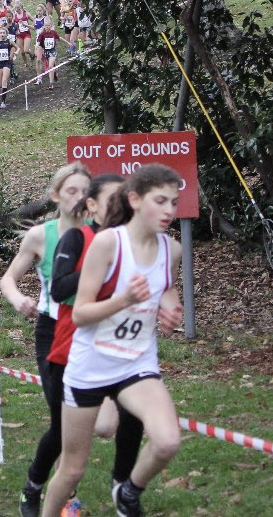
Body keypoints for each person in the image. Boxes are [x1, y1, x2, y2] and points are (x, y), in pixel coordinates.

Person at [42, 165, 185, 517]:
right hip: (91, 365)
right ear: (135, 200)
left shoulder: (172, 249)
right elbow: (80, 313)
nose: (169, 211)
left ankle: (128, 492)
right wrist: (123, 301)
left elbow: (163, 287)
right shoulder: (108, 243)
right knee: (72, 468)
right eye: (161, 201)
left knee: (167, 441)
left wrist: (170, 308)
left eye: (174, 202)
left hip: (136, 363)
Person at [0, 163, 91, 515]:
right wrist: (18, 298)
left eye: (85, 191)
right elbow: (8, 279)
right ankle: (37, 487)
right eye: (72, 191)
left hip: (90, 330)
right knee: (61, 418)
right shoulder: (40, 236)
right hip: (52, 330)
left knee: (77, 417)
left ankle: (62, 490)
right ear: (55, 196)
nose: (80, 198)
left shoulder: (100, 234)